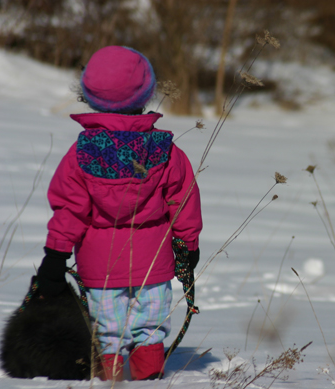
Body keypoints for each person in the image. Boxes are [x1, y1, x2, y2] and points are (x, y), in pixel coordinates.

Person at [35, 46, 202, 381]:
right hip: (154, 263)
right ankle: (149, 377)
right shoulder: (167, 151)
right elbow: (182, 201)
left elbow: (70, 209)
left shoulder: (81, 153)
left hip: (100, 266)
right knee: (151, 328)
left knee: (106, 331)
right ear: (147, 92)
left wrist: (55, 254)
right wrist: (188, 245)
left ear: (88, 94)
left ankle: (107, 379)